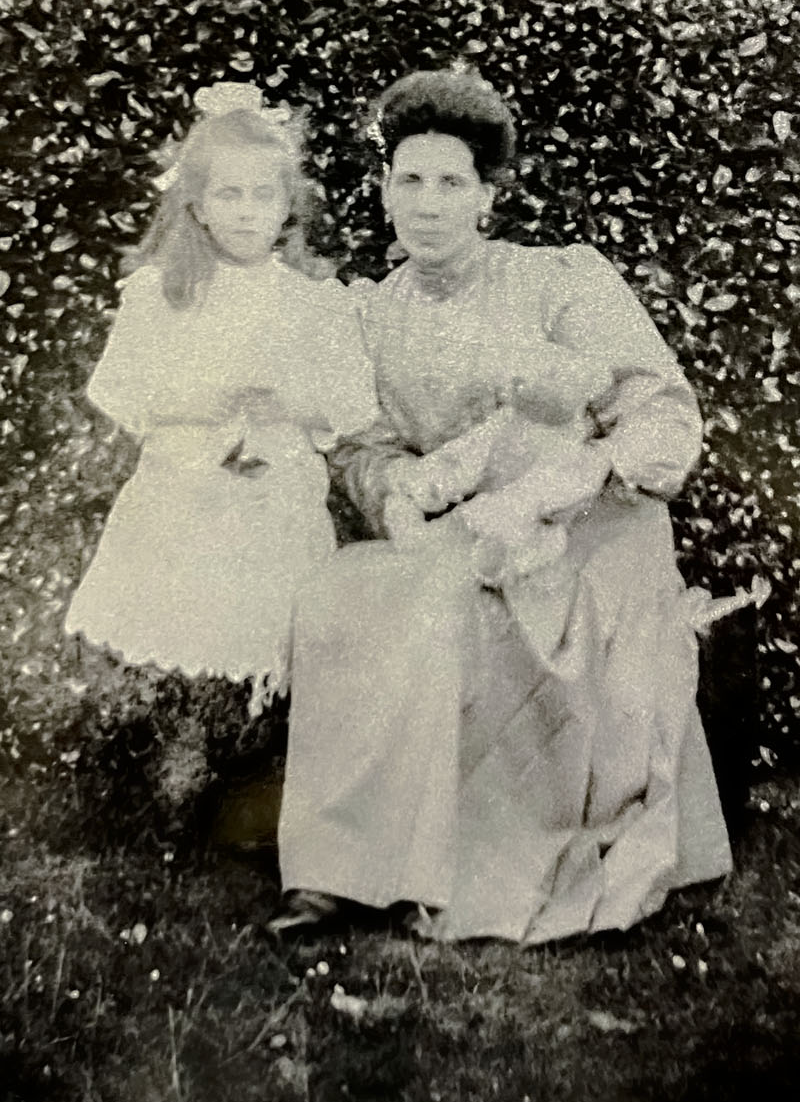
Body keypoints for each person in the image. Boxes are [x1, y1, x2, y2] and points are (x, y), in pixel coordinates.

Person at [271, 66, 735, 944]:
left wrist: (569, 482)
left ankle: (447, 869)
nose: (430, 202)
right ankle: (336, 873)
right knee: (343, 594)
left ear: (488, 197)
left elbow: (665, 419)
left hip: (588, 533)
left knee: (464, 607)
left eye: (453, 182)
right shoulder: (370, 315)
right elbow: (364, 447)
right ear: (383, 191)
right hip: (458, 530)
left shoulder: (558, 282)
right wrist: (396, 496)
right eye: (410, 179)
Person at [65, 82, 378, 718]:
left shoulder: (315, 303)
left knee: (260, 648)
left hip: (273, 496)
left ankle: (251, 727)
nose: (245, 211)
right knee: (174, 646)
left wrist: (292, 400)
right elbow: (119, 389)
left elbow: (352, 403)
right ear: (198, 205)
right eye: (228, 194)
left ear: (287, 203)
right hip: (181, 493)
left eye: (263, 194)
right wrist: (196, 399)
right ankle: (167, 720)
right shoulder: (163, 293)